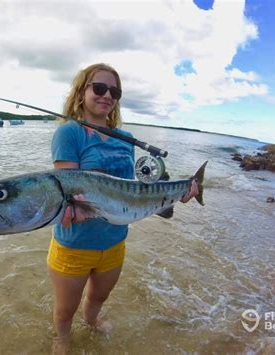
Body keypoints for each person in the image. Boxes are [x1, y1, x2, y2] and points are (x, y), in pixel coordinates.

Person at [48, 63, 198, 353]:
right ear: (82, 91)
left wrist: (172, 192)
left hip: (115, 241)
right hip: (75, 244)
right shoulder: (70, 134)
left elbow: (130, 187)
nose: (107, 96)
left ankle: (91, 323)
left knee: (98, 299)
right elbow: (68, 190)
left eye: (114, 91)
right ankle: (62, 337)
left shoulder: (126, 139)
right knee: (65, 310)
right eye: (99, 88)